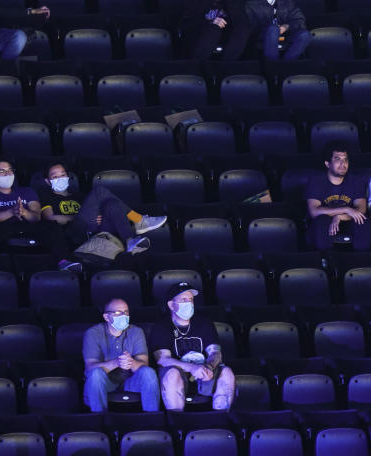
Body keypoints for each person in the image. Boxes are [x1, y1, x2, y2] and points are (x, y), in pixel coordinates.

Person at [38, 163, 166, 253]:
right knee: (99, 191)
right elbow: (49, 217)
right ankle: (138, 220)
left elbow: (96, 214)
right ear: (47, 181)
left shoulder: (80, 196)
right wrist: (78, 217)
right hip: (73, 233)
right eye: (55, 177)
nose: (60, 178)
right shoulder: (47, 196)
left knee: (112, 204)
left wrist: (94, 215)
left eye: (62, 175)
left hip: (95, 232)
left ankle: (129, 241)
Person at [0, 160, 79, 271]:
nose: (7, 174)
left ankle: (64, 262)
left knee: (51, 226)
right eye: (2, 171)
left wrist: (24, 212)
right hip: (3, 227)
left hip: (27, 226)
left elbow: (36, 217)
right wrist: (12, 212)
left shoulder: (27, 191)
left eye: (10, 170)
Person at [150, 282, 234, 411]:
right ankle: (177, 423)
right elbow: (163, 359)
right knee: (172, 375)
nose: (189, 303)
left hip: (204, 371)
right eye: (184, 300)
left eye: (191, 300)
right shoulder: (161, 326)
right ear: (171, 305)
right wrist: (192, 368)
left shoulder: (204, 323)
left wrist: (209, 366)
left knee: (227, 373)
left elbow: (215, 352)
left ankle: (220, 420)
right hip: (179, 373)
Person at [82, 298, 160, 412]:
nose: (123, 315)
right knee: (95, 374)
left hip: (130, 381)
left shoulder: (136, 332)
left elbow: (144, 364)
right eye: (118, 312)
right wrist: (116, 362)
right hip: (106, 382)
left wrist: (130, 362)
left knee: (149, 373)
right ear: (106, 317)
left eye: (126, 312)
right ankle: (99, 420)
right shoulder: (93, 333)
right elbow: (90, 368)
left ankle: (152, 421)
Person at [305, 142, 371, 250]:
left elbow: (361, 210)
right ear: (327, 164)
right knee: (322, 220)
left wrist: (339, 217)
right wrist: (346, 209)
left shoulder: (356, 181)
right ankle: (325, 260)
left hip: (347, 223)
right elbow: (314, 212)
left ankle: (361, 261)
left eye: (345, 160)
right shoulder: (316, 181)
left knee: (362, 221)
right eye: (337, 159)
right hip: (322, 227)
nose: (343, 164)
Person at [177, 0, 251, 60]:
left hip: (226, 38)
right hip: (202, 37)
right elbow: (186, 25)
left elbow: (241, 21)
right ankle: (196, 66)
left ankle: (228, 66)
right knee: (213, 29)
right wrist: (210, 23)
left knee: (243, 29)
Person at [244, 0, 310, 61]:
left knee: (305, 34)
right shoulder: (251, 4)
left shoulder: (287, 2)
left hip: (286, 36)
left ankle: (286, 65)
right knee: (273, 29)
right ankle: (273, 65)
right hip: (263, 39)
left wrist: (286, 27)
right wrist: (272, 29)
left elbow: (300, 21)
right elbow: (250, 29)